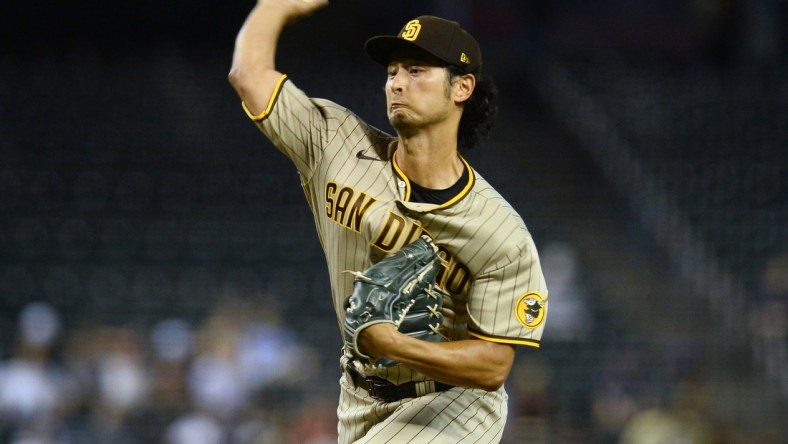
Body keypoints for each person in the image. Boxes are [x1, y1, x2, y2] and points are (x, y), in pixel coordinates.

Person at [228, 1, 549, 442]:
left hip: (454, 405)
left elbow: (494, 365)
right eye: (392, 72)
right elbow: (248, 74)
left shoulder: (499, 231)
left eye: (417, 71)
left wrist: (396, 345)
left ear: (462, 87)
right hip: (358, 398)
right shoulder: (335, 143)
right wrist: (277, 6)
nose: (397, 83)